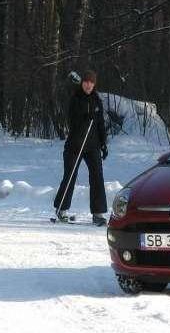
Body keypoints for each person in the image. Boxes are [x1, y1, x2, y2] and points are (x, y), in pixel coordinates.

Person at [53, 70, 109, 226]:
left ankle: (98, 213)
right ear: (82, 82)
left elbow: (100, 124)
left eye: (91, 82)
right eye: (86, 82)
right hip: (75, 145)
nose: (88, 85)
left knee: (97, 176)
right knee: (70, 175)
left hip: (92, 146)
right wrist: (86, 117)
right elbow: (73, 121)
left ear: (94, 84)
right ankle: (61, 209)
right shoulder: (76, 99)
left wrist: (103, 143)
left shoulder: (97, 100)